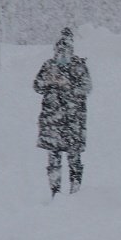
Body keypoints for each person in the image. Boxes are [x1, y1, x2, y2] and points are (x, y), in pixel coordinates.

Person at [33, 27, 91, 197]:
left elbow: (86, 87)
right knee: (54, 157)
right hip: (52, 119)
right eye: (59, 50)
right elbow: (37, 85)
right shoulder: (48, 66)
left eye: (65, 50)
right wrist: (51, 84)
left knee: (74, 156)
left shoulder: (79, 66)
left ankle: (75, 188)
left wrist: (68, 89)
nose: (62, 53)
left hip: (73, 119)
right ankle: (55, 190)